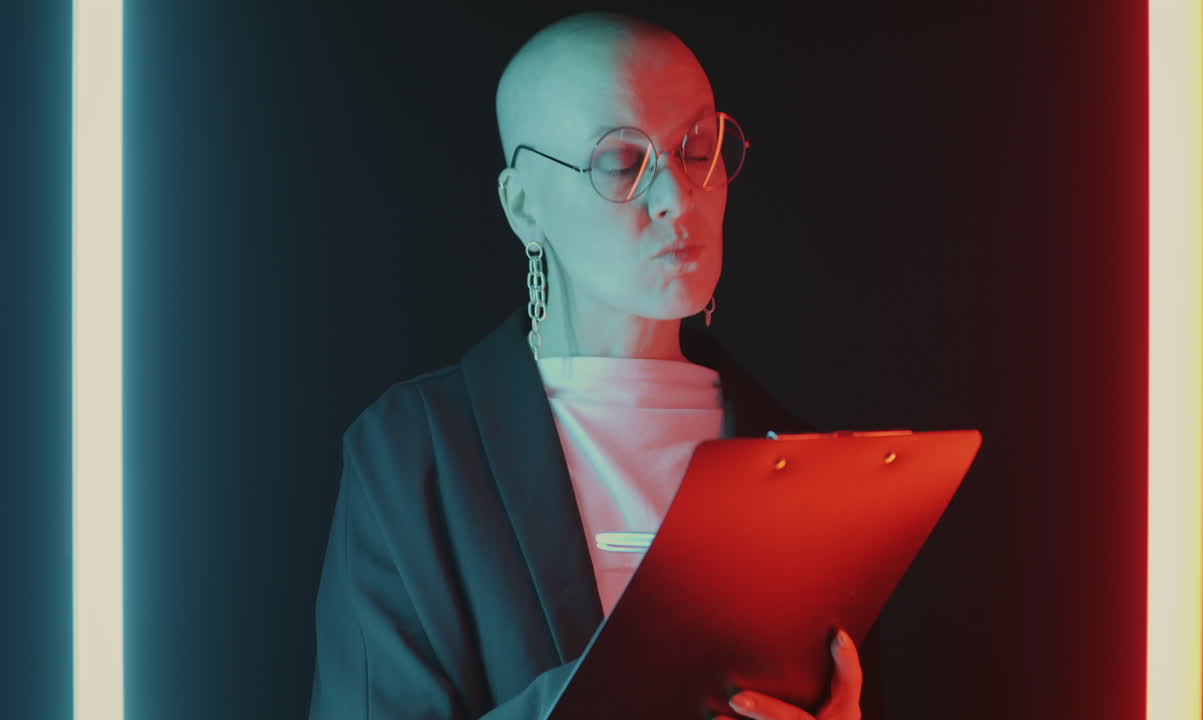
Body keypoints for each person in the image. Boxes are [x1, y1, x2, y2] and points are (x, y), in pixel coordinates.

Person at [307, 10, 883, 720]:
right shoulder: (413, 456)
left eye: (698, 148)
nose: (679, 197)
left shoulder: (810, 465)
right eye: (622, 162)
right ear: (524, 207)